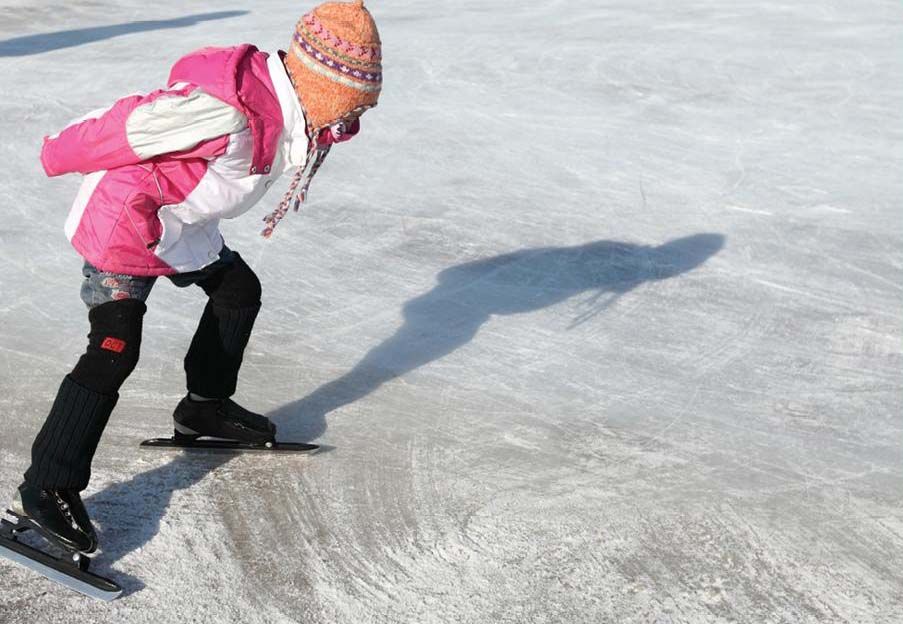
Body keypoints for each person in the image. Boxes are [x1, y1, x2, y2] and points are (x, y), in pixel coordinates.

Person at [11, 0, 382, 555]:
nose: (345, 122)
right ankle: (48, 485)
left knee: (238, 292)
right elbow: (127, 124)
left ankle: (203, 407)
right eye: (345, 107)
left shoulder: (284, 108)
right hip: (128, 223)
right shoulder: (224, 110)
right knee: (114, 347)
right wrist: (56, 153)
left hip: (182, 221)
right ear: (318, 89)